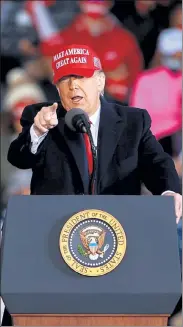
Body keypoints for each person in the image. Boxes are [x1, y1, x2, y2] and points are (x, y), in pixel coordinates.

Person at [7, 43, 182, 223]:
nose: (73, 85)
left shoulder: (133, 121)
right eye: (65, 79)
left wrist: (168, 190)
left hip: (120, 228)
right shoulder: (42, 117)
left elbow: (156, 162)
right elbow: (18, 158)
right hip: (56, 228)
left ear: (100, 81)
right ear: (58, 89)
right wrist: (38, 131)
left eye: (81, 77)